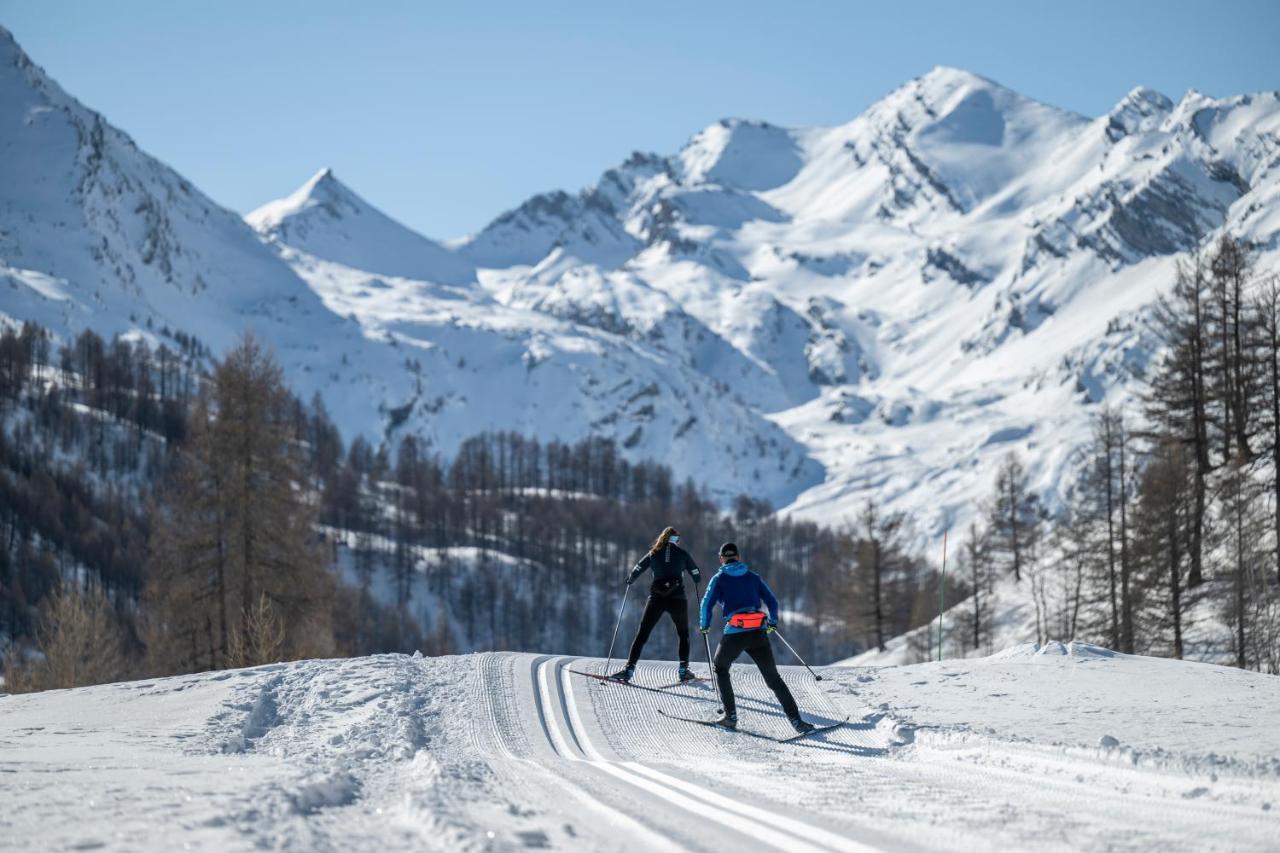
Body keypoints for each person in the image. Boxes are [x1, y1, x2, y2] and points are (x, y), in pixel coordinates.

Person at [699, 542, 814, 733]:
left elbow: (706, 604)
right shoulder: (753, 577)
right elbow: (772, 601)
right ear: (738, 557)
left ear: (721, 559)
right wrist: (773, 622)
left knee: (720, 668)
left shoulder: (719, 578)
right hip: (758, 634)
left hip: (735, 634)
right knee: (773, 679)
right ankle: (797, 722)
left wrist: (705, 625)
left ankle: (731, 717)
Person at [609, 526, 701, 683]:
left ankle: (629, 669)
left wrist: (630, 580)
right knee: (683, 634)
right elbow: (696, 574)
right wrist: (694, 578)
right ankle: (683, 670)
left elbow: (637, 569)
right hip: (677, 599)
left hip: (656, 598)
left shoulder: (653, 553)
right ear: (676, 540)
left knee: (642, 634)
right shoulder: (683, 554)